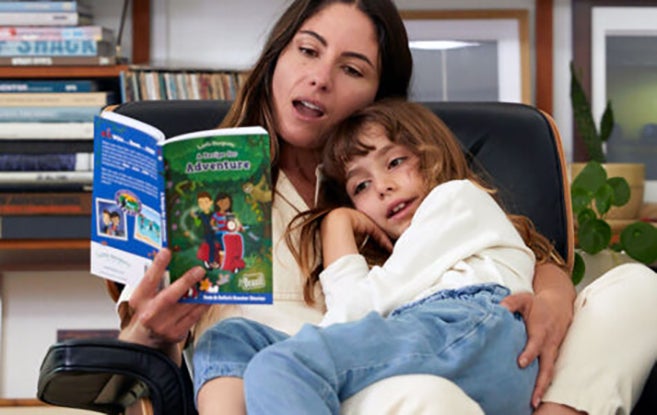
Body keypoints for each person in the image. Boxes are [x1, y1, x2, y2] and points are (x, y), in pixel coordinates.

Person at [116, 0, 657, 414]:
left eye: (351, 69)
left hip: (434, 354)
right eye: (308, 50)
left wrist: (552, 296)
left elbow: (513, 249)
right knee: (422, 396)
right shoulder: (195, 185)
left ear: (379, 96)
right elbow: (159, 368)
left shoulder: (393, 184)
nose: (320, 78)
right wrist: (150, 334)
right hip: (312, 390)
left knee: (638, 288)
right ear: (277, 56)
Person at [194, 98, 560, 414]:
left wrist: (334, 230)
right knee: (229, 337)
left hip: (473, 330)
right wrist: (338, 222)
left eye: (396, 162)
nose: (383, 187)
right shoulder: (405, 258)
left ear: (433, 153)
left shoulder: (456, 199)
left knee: (281, 366)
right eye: (361, 185)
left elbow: (354, 311)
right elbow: (357, 312)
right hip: (437, 338)